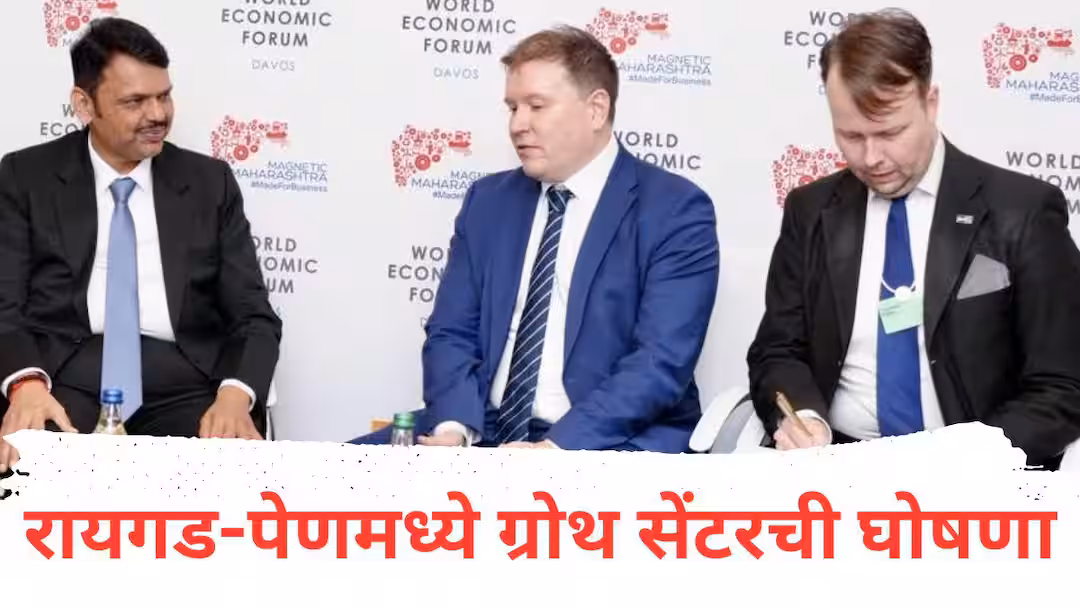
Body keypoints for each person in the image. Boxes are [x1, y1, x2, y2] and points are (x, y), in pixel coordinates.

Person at [352, 26, 719, 451]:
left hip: (607, 440)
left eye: (536, 106)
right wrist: (454, 429)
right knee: (324, 473)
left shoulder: (675, 210)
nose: (517, 125)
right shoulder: (488, 201)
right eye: (512, 107)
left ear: (596, 109)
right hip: (483, 428)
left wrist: (555, 450)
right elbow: (451, 332)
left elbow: (659, 362)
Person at [746, 9, 1080, 468]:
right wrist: (805, 418)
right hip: (834, 463)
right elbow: (777, 350)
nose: (871, 157)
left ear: (930, 102)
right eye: (851, 135)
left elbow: (1063, 387)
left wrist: (963, 455)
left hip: (969, 471)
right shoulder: (811, 210)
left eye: (890, 132)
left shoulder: (1022, 211)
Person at [0, 17, 281, 470]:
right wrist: (25, 384)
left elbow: (253, 314)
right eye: (135, 101)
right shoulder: (25, 177)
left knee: (224, 474)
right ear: (84, 104)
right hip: (65, 374)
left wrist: (235, 395)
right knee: (31, 466)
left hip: (188, 380)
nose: (157, 115)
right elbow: (4, 303)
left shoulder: (210, 183)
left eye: (164, 96)